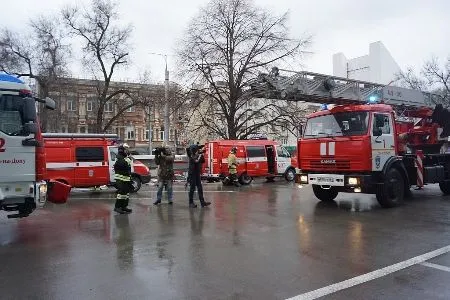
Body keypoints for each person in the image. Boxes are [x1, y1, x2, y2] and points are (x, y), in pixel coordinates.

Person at [114, 145, 133, 214]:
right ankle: (117, 207)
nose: (127, 151)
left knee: (126, 193)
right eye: (126, 149)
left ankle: (124, 206)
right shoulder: (119, 157)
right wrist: (129, 159)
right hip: (120, 179)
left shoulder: (124, 157)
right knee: (121, 193)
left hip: (126, 178)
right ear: (122, 150)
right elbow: (122, 164)